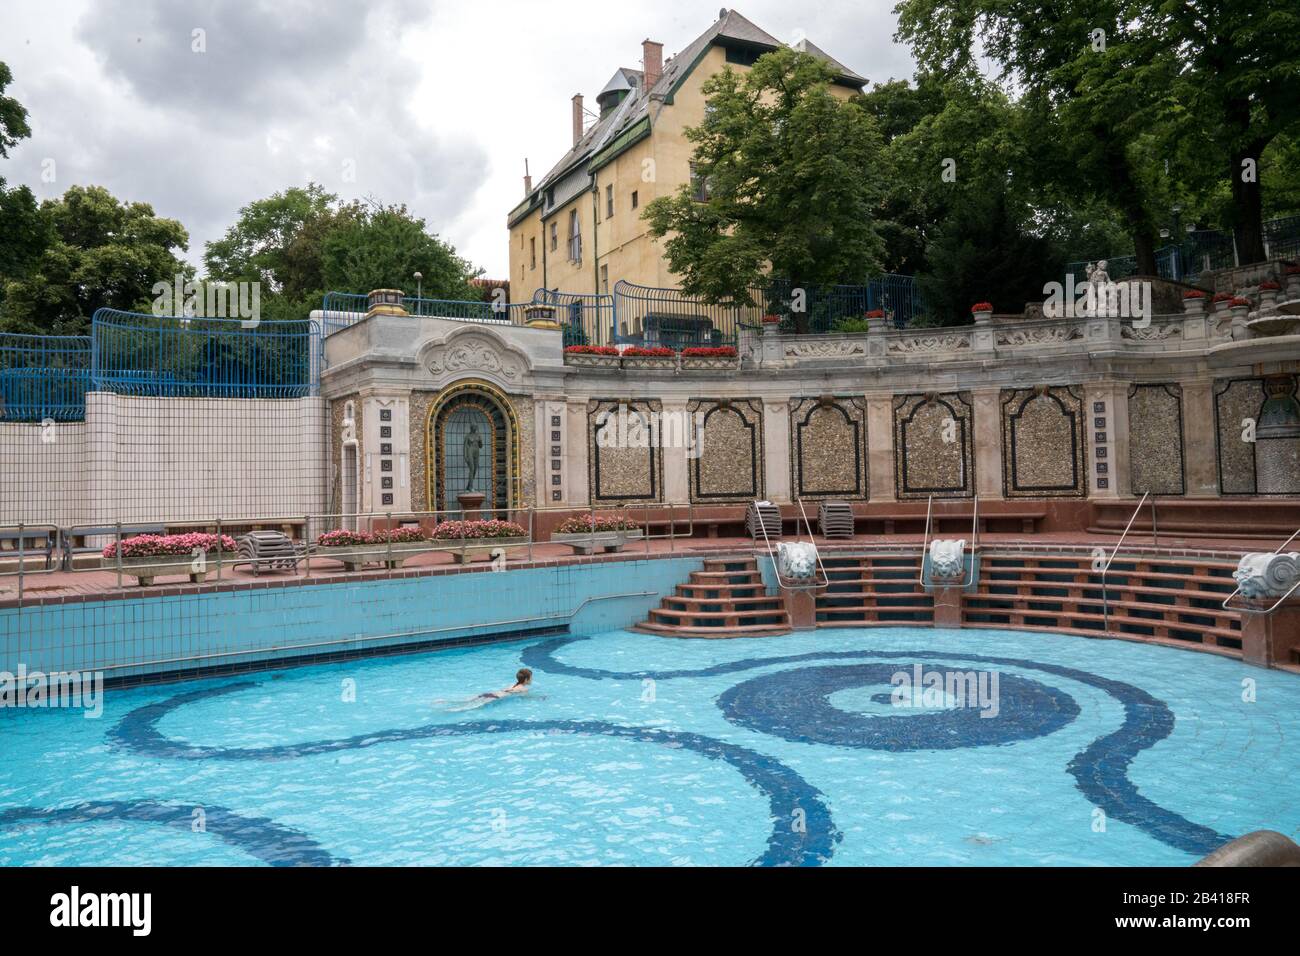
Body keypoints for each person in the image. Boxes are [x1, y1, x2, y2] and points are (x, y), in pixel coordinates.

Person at [440, 668, 533, 711]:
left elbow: (507, 690)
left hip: (491, 694)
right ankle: (451, 710)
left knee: (467, 700)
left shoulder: (512, 684)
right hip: (496, 697)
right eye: (531, 677)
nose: (532, 679)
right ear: (526, 679)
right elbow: (524, 697)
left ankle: (444, 701)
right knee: (471, 707)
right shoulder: (523, 689)